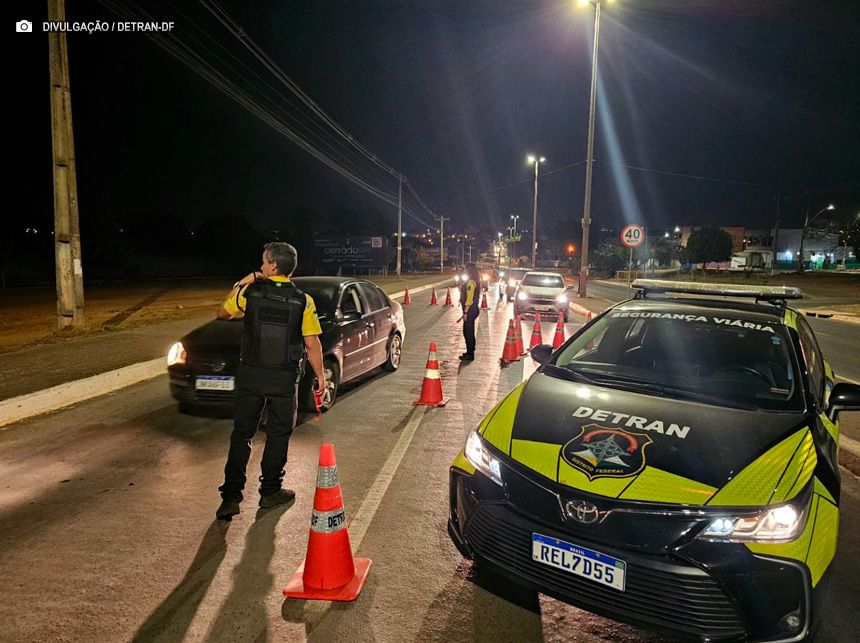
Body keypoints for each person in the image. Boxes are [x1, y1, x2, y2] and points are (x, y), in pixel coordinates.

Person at [215, 242, 326, 521]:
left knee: (242, 434)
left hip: (251, 375)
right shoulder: (303, 301)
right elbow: (312, 344)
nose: (261, 266)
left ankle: (230, 498)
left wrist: (244, 281)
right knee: (278, 435)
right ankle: (270, 492)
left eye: (264, 262)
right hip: (283, 380)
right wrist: (321, 376)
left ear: (273, 266)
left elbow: (223, 312)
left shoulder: (250, 293)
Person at [459, 262, 480, 361]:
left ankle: (470, 353)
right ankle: (469, 351)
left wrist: (465, 312)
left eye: (465, 269)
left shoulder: (471, 282)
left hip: (470, 310)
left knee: (468, 331)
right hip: (473, 309)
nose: (464, 270)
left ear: (469, 270)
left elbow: (469, 299)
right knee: (468, 331)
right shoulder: (473, 280)